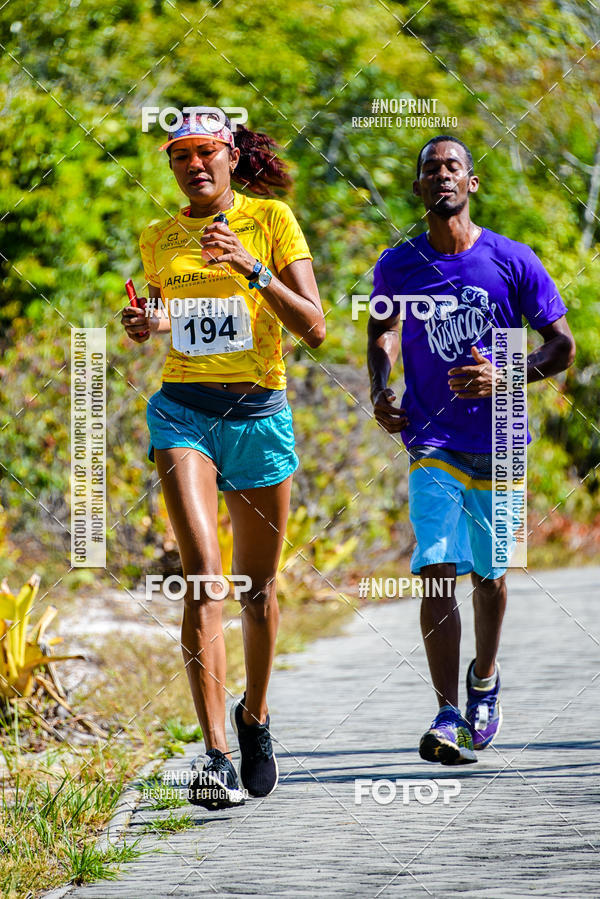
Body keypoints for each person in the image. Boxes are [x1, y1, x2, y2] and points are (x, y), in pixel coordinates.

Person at [121, 109, 325, 806]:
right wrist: (148, 322)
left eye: (206, 151)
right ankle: (213, 755)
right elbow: (168, 316)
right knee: (204, 575)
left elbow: (315, 327)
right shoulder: (158, 238)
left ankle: (254, 718)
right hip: (183, 413)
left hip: (260, 417)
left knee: (259, 592)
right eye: (180, 155)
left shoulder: (272, 219)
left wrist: (250, 265)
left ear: (231, 156)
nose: (193, 164)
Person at [367, 135, 575, 764]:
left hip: (504, 437)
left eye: (453, 167)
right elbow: (383, 332)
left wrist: (506, 376)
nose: (442, 176)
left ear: (471, 183)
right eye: (430, 169)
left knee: (491, 575)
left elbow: (561, 347)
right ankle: (447, 711)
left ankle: (484, 679)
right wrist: (380, 388)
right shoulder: (398, 264)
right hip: (432, 437)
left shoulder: (513, 260)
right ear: (419, 187)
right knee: (434, 567)